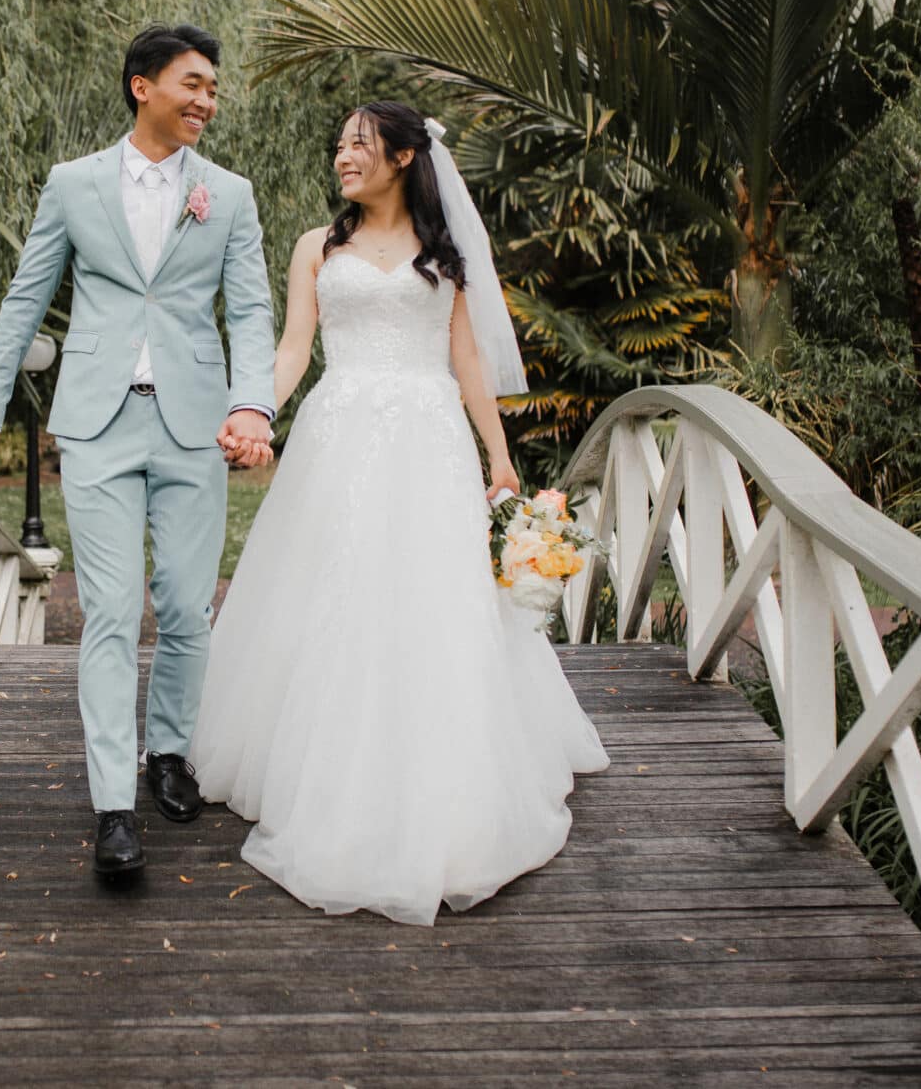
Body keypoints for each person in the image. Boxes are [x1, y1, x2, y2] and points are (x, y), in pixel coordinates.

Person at [189, 102, 610, 925]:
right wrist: (256, 413)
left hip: (427, 441)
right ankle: (323, 767)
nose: (343, 155)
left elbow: (467, 361)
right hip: (338, 433)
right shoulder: (319, 247)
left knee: (431, 602)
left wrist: (498, 455)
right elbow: (294, 351)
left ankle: (438, 771)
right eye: (340, 142)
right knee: (330, 594)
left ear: (405, 156)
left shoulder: (443, 256)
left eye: (360, 144)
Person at [0, 24, 277, 880]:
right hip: (97, 424)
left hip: (194, 424)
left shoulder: (230, 195)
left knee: (184, 606)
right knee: (109, 611)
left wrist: (252, 404)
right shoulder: (73, 186)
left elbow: (250, 310)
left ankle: (168, 752)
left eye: (214, 87)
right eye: (193, 83)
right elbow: (27, 296)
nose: (207, 100)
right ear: (143, 86)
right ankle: (112, 804)